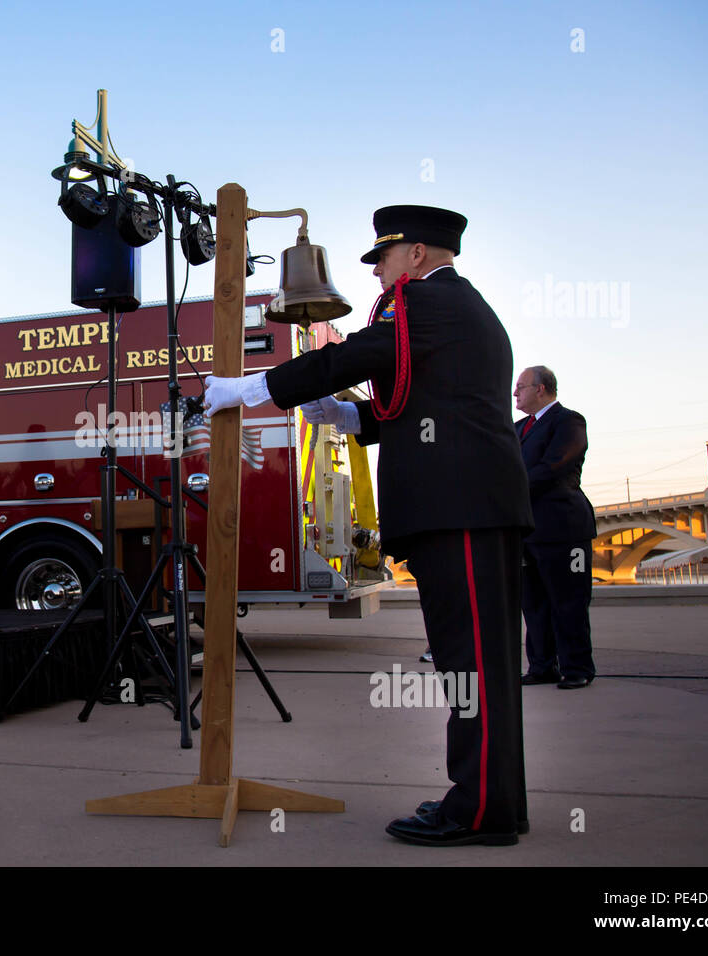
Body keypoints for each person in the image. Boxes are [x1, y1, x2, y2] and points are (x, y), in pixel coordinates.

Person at [204, 205, 533, 846]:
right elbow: (429, 398)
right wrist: (356, 420)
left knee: (471, 664)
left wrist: (250, 390)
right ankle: (495, 803)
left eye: (383, 257)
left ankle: (479, 810)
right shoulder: (457, 308)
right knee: (480, 664)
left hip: (458, 508)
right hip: (471, 505)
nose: (378, 272)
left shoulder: (419, 301)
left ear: (415, 255)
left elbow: (356, 355)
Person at [513, 366, 597, 689]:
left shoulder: (569, 422)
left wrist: (509, 487)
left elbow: (553, 467)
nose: (515, 393)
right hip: (528, 530)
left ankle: (577, 667)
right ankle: (542, 665)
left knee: (568, 600)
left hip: (564, 529)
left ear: (542, 389)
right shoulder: (517, 428)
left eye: (521, 387)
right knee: (533, 603)